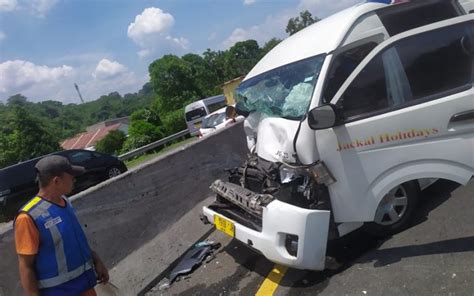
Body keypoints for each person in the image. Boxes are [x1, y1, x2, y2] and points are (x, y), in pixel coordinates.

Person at [14, 155, 109, 296]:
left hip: (84, 284)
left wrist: (96, 260)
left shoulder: (65, 202)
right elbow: (26, 266)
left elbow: (75, 239)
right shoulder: (28, 217)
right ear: (56, 181)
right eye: (71, 176)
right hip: (59, 292)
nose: (74, 180)